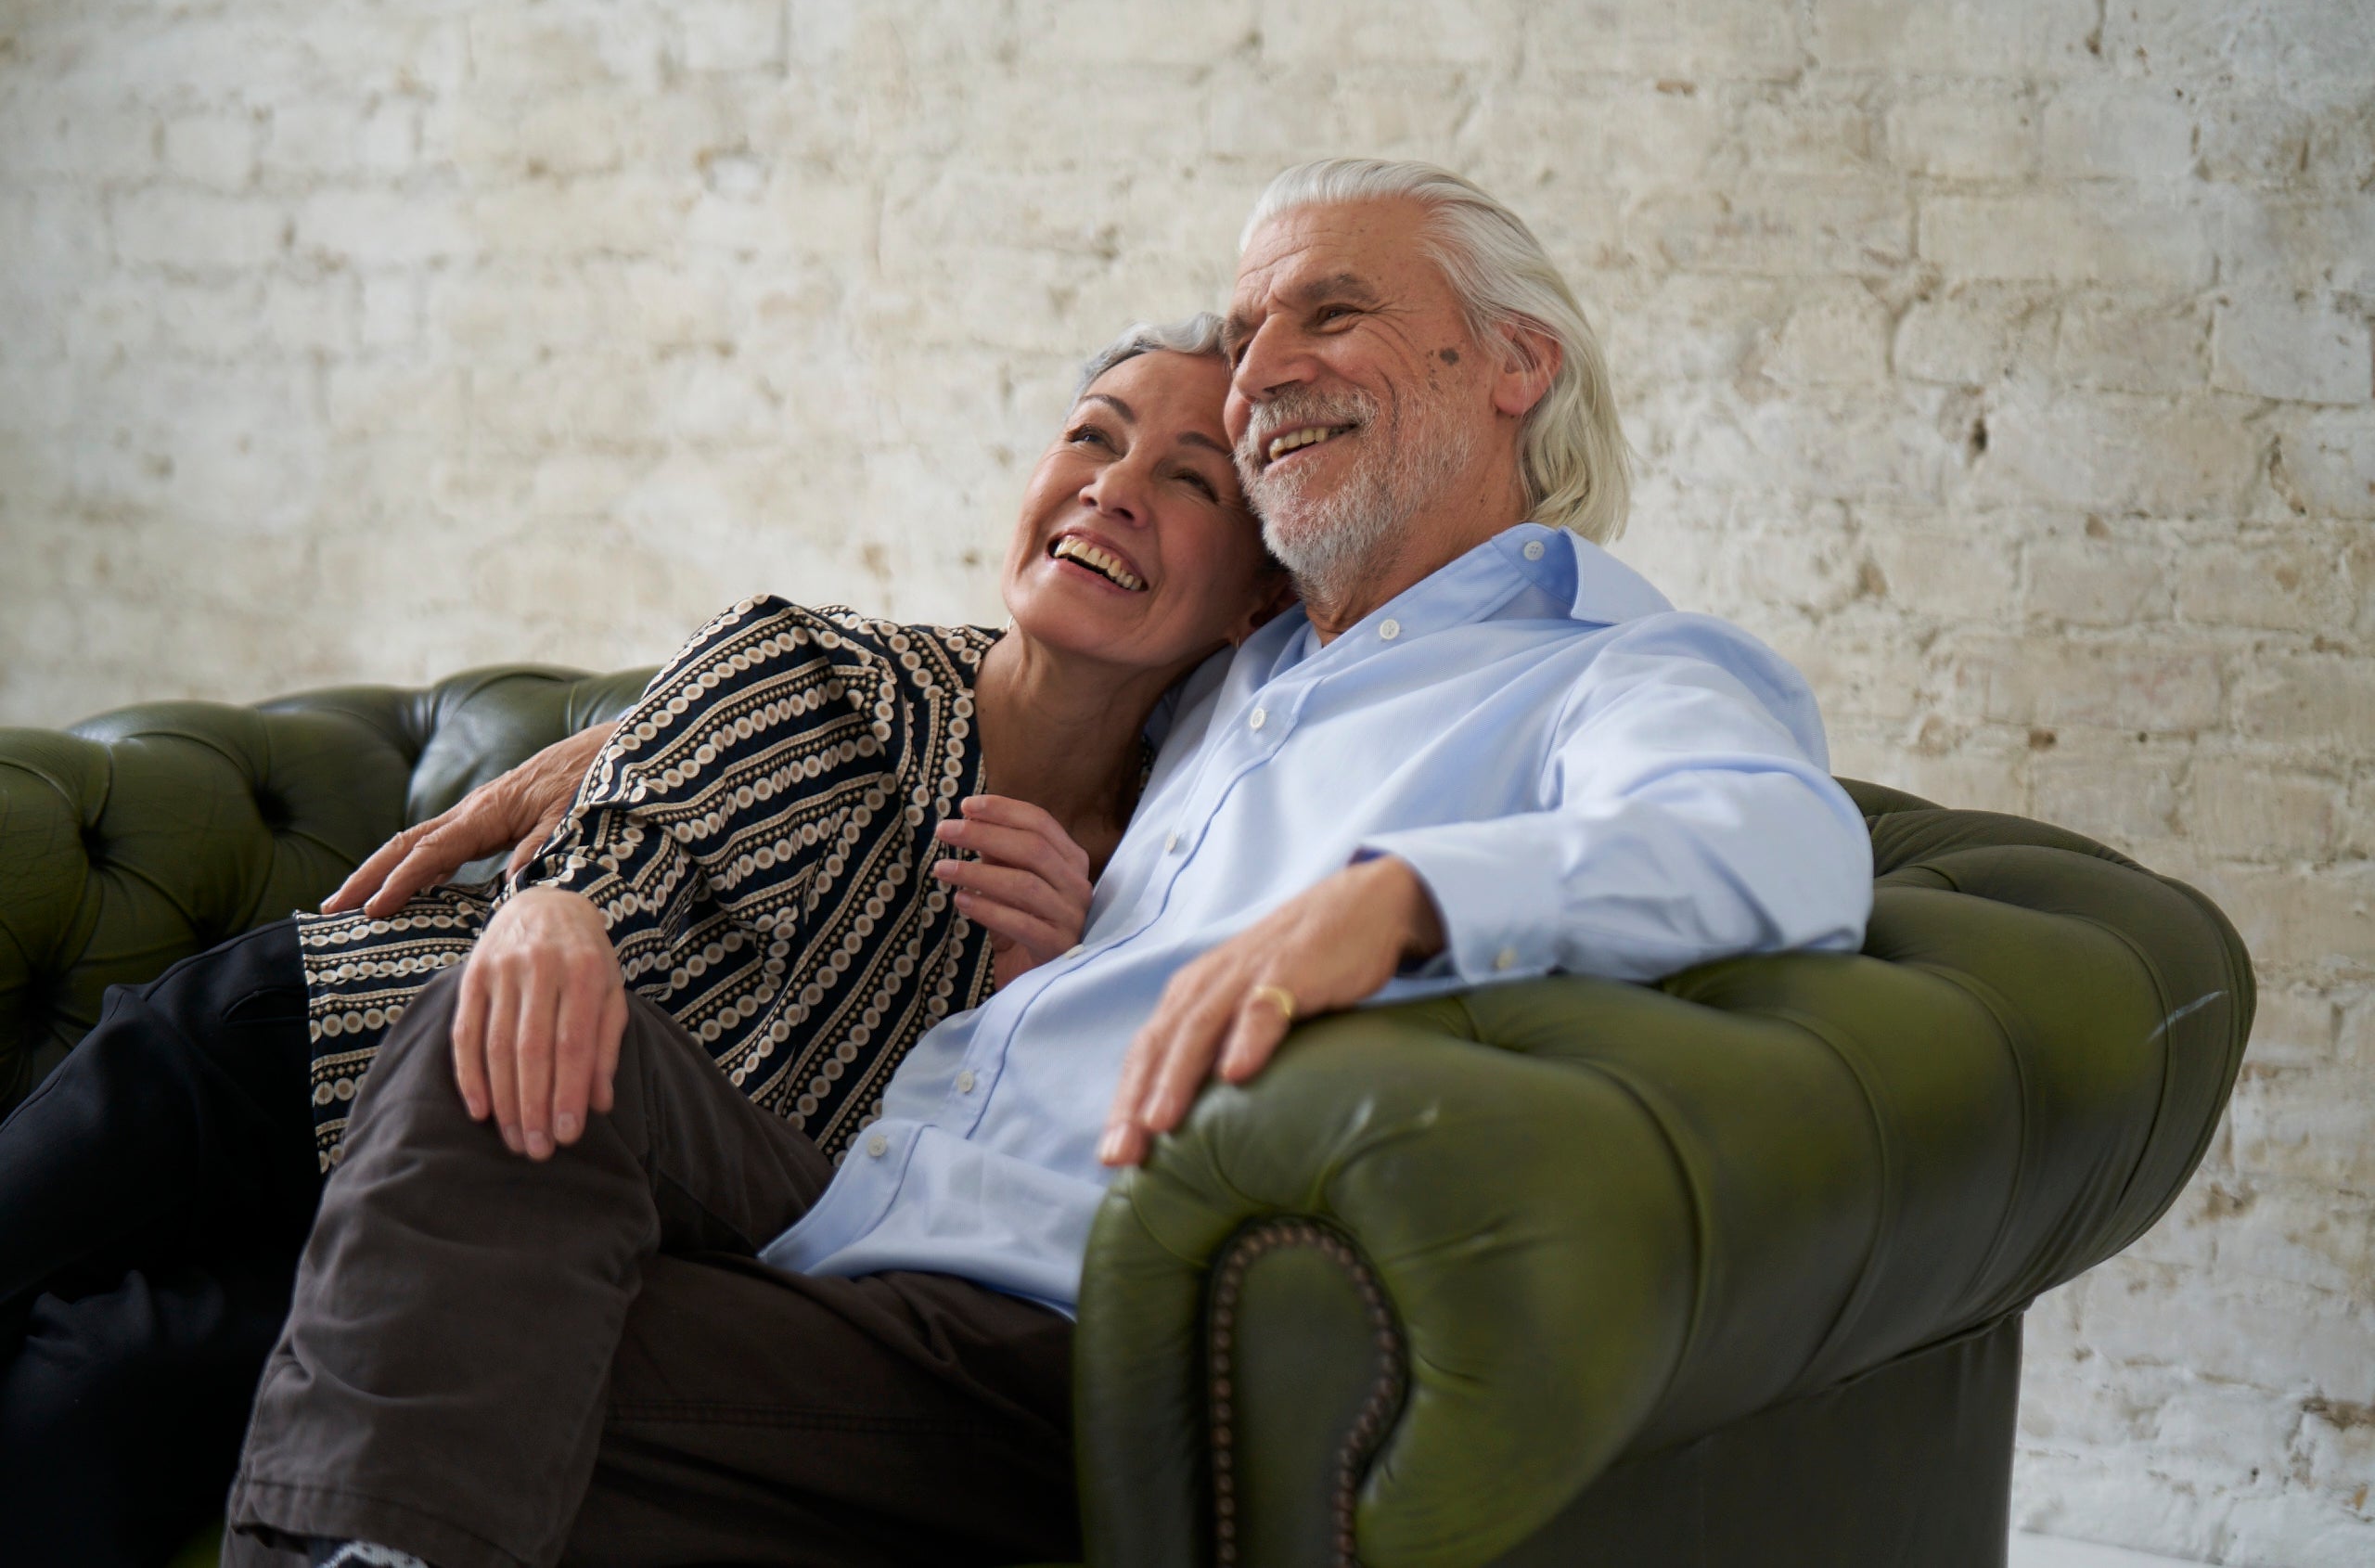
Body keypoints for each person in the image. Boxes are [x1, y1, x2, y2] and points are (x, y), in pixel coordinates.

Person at [223, 160, 1877, 1568]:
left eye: (1331, 312)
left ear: (1513, 361)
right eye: (1247, 340)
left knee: (381, 1349)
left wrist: (1398, 898)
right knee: (475, 1040)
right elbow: (993, 662)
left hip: (1039, 1327)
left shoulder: (1606, 668)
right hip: (862, 1196)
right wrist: (607, 759)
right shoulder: (1237, 674)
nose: (1262, 373)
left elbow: (1780, 843)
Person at [0, 321, 1287, 1568]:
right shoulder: (817, 674)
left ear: (1252, 603)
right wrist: (556, 900)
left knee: (110, 1386)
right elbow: (599, 885)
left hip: (474, 1225)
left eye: (1188, 480)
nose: (1114, 489)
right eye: (1092, 436)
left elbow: (952, 1201)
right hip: (302, 1053)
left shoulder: (1149, 895)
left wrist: (1048, 990)